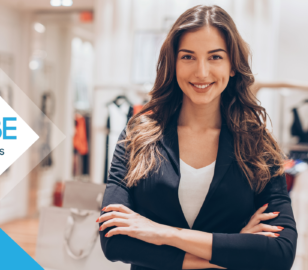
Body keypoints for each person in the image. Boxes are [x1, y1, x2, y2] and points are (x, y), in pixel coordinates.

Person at [96, 5, 297, 270]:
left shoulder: (257, 144)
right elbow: (114, 242)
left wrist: (161, 232)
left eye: (215, 57)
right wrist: (231, 251)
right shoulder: (137, 136)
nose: (201, 72)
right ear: (174, 63)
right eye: (188, 57)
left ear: (233, 65)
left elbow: (280, 253)